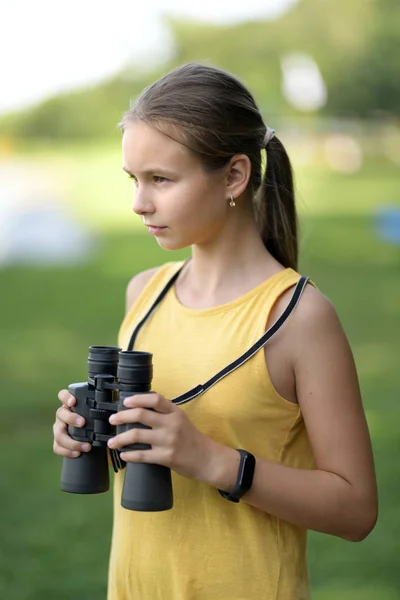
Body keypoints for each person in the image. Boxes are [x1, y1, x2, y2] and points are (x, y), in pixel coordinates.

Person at [53, 62, 378, 600]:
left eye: (161, 178)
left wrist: (211, 460)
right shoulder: (143, 292)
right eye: (134, 179)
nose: (139, 202)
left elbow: (355, 510)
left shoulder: (297, 316)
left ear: (233, 176)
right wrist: (90, 432)